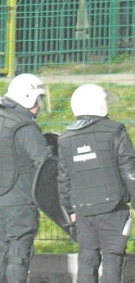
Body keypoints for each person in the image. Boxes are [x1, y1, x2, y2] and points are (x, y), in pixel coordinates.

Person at [57, 84, 135, 283]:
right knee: (113, 258)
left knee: (88, 257)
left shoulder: (65, 139)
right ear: (99, 104)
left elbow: (64, 179)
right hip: (113, 208)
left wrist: (69, 209)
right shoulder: (115, 131)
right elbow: (129, 171)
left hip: (83, 210)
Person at [0, 73, 52, 283]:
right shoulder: (23, 125)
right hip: (17, 198)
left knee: (0, 246)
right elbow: (43, 161)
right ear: (28, 97)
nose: (40, 105)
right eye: (39, 99)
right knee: (19, 250)